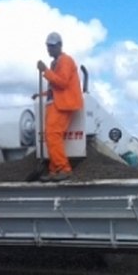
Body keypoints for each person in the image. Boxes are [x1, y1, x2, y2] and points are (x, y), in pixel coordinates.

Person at [35, 31, 84, 182]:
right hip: (55, 104)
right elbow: (54, 87)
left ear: (60, 46)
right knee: (51, 137)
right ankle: (54, 169)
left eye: (53, 46)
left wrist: (45, 71)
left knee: (53, 135)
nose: (50, 49)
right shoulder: (55, 63)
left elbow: (62, 83)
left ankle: (63, 169)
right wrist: (41, 95)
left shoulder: (66, 61)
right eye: (48, 46)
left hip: (63, 105)